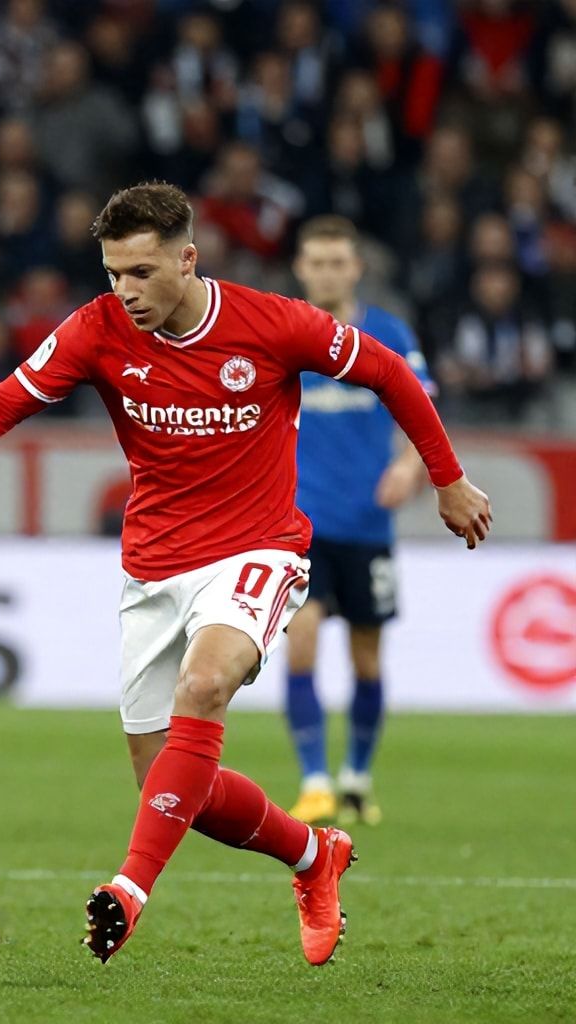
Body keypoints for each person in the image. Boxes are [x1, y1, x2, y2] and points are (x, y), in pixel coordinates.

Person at [0, 182, 490, 965]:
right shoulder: (96, 330)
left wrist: (447, 478)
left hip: (259, 550)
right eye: (113, 273)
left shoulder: (272, 323)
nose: (125, 291)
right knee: (172, 787)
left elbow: (391, 372)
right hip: (154, 569)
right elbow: (4, 401)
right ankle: (312, 855)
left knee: (204, 683)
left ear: (187, 260)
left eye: (142, 272)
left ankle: (129, 888)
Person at [284, 215, 436, 827]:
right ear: (301, 269)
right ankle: (314, 781)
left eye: (337, 262)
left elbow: (422, 408)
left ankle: (355, 779)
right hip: (300, 526)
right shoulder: (284, 333)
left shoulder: (388, 333)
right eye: (316, 263)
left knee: (367, 660)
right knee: (302, 642)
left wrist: (409, 465)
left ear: (356, 268)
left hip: (369, 525)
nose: (327, 273)